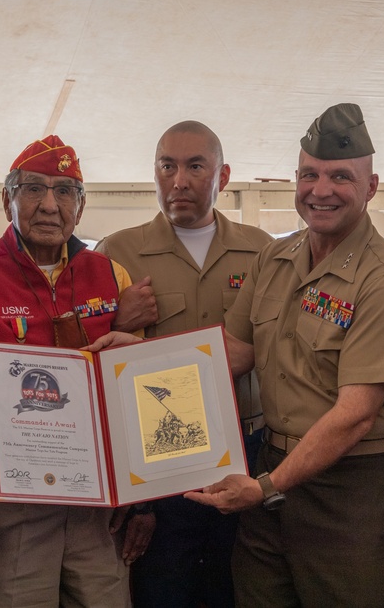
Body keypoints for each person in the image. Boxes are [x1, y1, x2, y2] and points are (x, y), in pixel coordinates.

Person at [186, 103, 384, 607]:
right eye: (309, 174)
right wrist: (132, 362)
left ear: (371, 186)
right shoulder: (274, 259)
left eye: (341, 176)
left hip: (355, 491)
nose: (321, 190)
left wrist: (265, 486)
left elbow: (354, 416)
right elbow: (230, 354)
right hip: (271, 473)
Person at [0, 135, 138, 607]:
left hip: (98, 509)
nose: (50, 205)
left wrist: (141, 498)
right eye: (33, 189)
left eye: (65, 191)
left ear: (81, 208)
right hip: (13, 508)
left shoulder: (112, 275)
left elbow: (131, 394)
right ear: (8, 200)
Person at [95, 120, 273, 607]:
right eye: (167, 166)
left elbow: (276, 344)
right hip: (158, 458)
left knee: (238, 585)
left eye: (196, 166)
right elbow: (93, 358)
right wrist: (118, 318)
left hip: (247, 447)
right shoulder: (117, 252)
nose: (179, 180)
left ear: (223, 175)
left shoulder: (263, 251)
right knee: (162, 585)